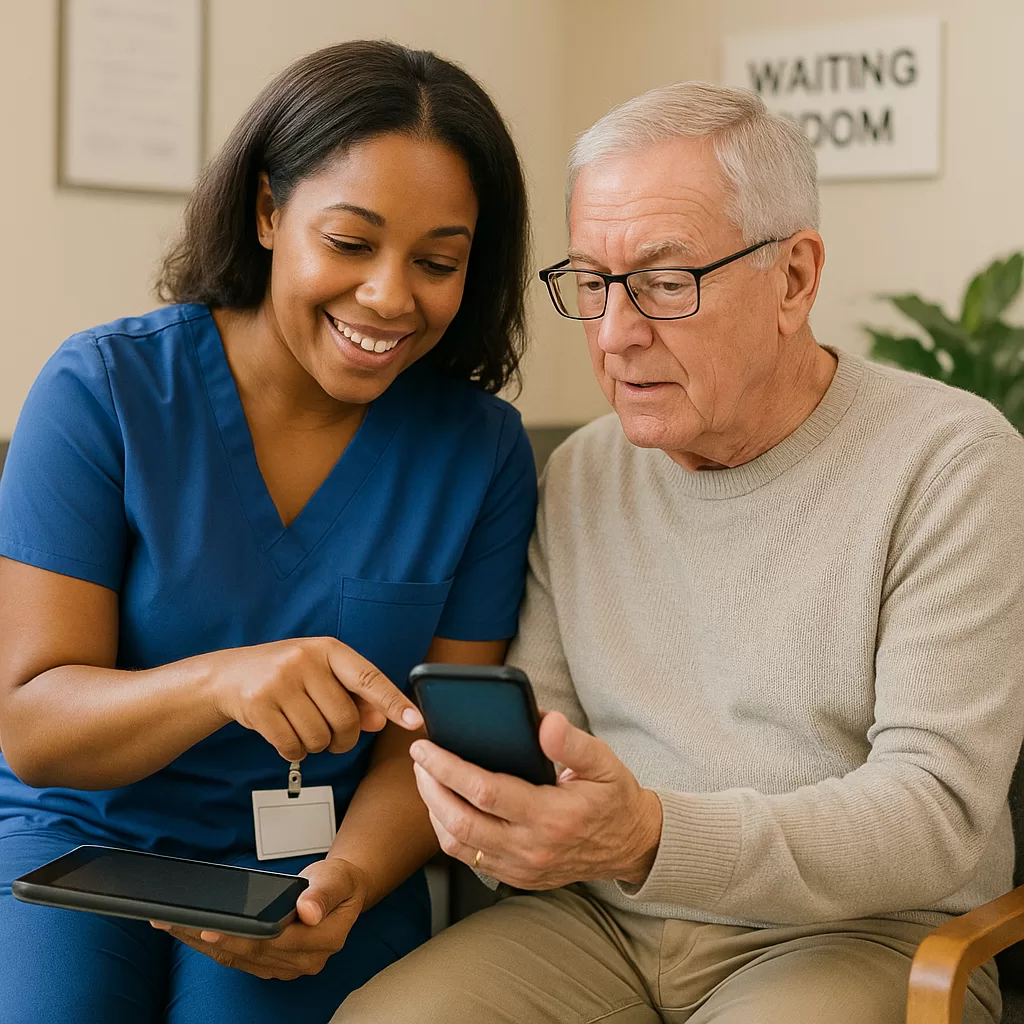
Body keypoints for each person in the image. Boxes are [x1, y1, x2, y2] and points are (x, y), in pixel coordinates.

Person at [337, 82, 1024, 1024]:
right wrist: (501, 811)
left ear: (794, 278)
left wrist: (653, 836)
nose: (617, 335)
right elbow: (547, 727)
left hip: (857, 933)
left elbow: (937, 815)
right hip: (600, 926)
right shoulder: (582, 471)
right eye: (591, 284)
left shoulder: (952, 462)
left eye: (665, 282)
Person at [0, 40, 536, 1024]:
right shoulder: (102, 393)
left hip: (315, 851)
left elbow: (433, 751)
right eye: (350, 241)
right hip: (81, 830)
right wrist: (221, 679)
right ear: (266, 212)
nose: (389, 295)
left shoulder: (483, 453)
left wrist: (347, 880)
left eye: (437, 261)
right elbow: (32, 724)